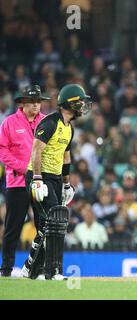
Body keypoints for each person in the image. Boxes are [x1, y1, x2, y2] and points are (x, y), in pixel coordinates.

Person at [21, 84, 91, 280]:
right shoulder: (50, 122)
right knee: (55, 221)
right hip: (39, 176)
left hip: (55, 178)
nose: (83, 105)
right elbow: (36, 151)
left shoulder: (69, 128)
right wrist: (36, 179)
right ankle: (53, 271)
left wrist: (66, 184)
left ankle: (31, 269)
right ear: (68, 104)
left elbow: (66, 158)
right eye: (79, 101)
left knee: (46, 225)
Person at [0, 85, 47, 277]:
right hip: (17, 182)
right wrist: (23, 168)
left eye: (38, 101)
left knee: (42, 226)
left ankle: (39, 268)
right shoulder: (9, 122)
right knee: (13, 227)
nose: (36, 105)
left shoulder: (46, 121)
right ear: (22, 103)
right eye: (32, 101)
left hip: (40, 181)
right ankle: (6, 268)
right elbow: (2, 150)